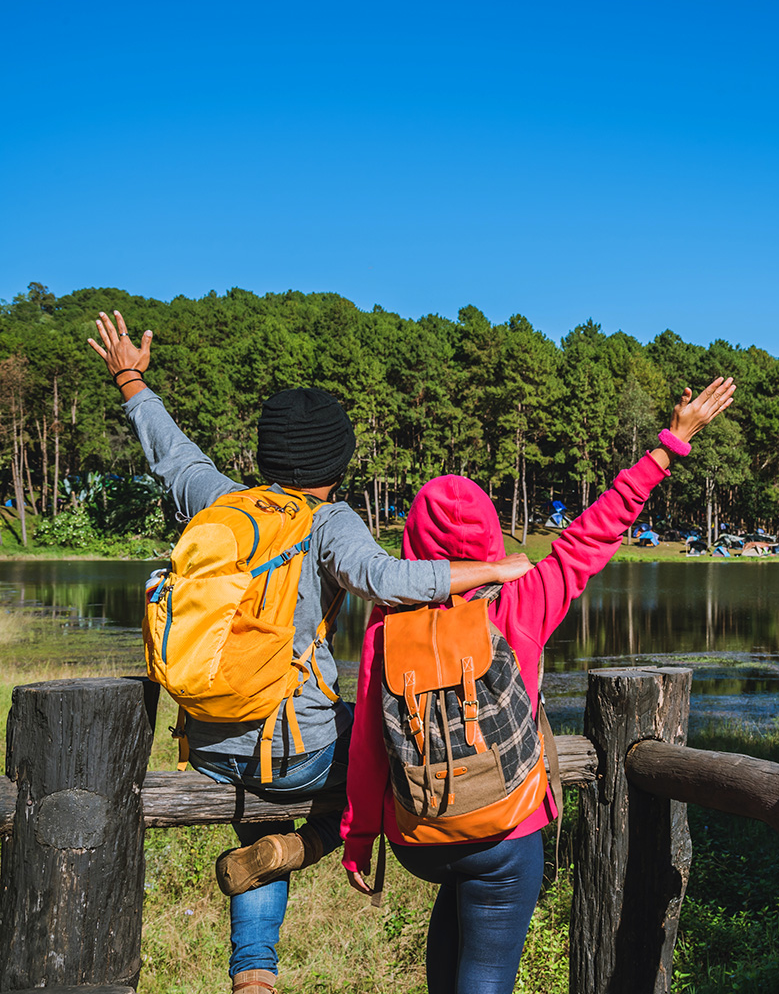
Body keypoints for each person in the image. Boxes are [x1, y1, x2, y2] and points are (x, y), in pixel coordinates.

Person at [87, 310, 532, 994]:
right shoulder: (328, 521)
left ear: (267, 456)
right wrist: (489, 573)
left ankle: (255, 975)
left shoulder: (221, 504)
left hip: (210, 747)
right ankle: (309, 843)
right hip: (298, 755)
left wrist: (130, 379)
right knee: (374, 748)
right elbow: (384, 579)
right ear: (336, 461)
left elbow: (172, 455)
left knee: (260, 803)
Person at [340, 374, 736, 994]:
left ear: (413, 541)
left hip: (421, 837)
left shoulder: (387, 621)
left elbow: (367, 741)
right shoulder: (524, 598)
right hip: (503, 831)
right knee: (490, 974)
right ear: (491, 535)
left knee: (451, 948)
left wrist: (359, 834)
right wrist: (670, 444)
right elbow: (593, 533)